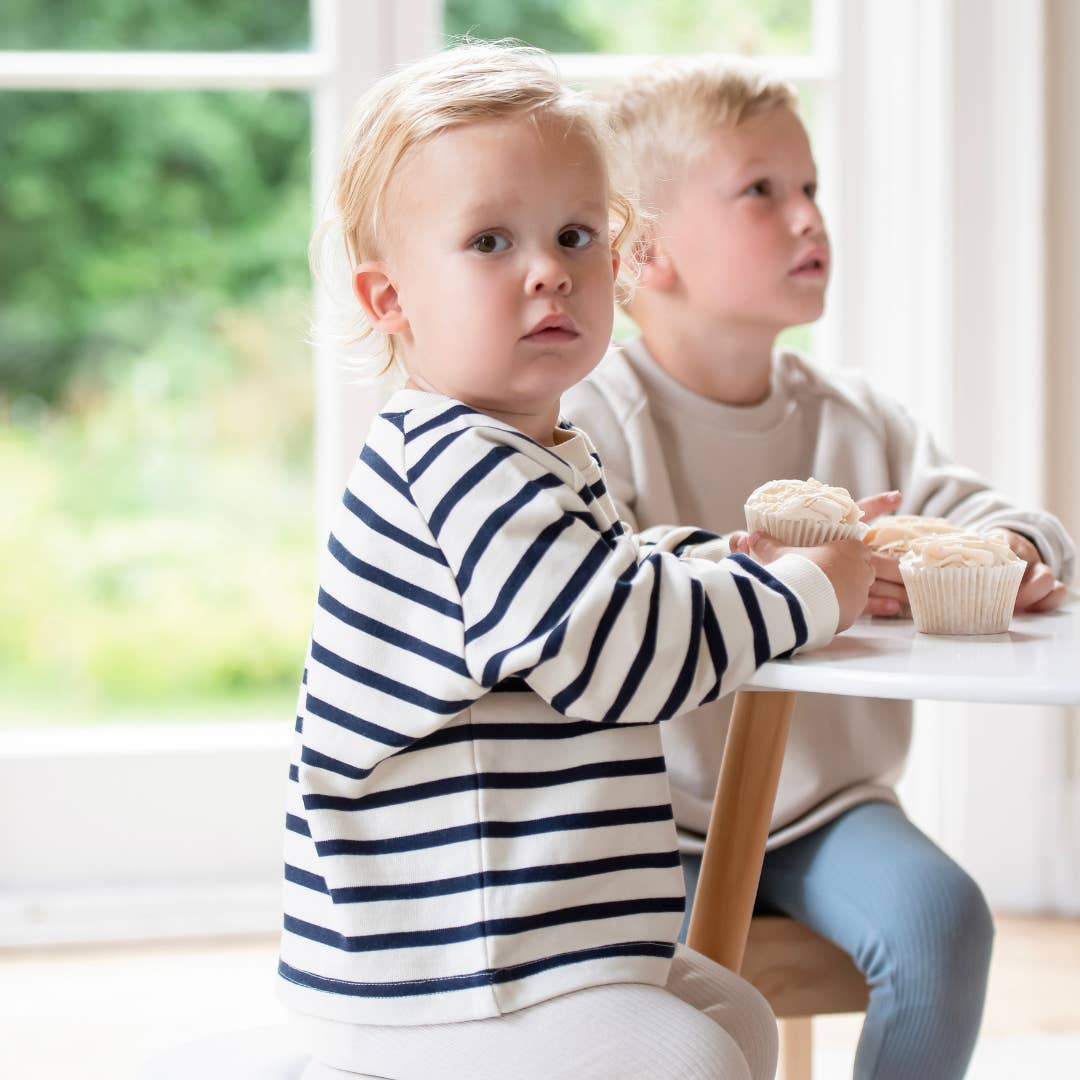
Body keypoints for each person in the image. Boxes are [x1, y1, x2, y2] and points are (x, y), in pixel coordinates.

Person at [280, 41, 878, 1080]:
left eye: (574, 235)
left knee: (738, 1021)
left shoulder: (526, 450)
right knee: (693, 1057)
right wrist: (797, 598)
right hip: (453, 960)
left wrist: (728, 560)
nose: (549, 268)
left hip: (542, 938)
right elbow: (601, 647)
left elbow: (605, 572)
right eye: (490, 242)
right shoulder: (462, 464)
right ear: (390, 301)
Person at [562, 58, 1075, 1080]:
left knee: (944, 928)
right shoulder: (593, 420)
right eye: (763, 191)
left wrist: (1007, 556)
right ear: (646, 252)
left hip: (830, 812)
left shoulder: (859, 421)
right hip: (645, 819)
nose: (808, 218)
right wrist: (774, 570)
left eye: (812, 189)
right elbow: (600, 575)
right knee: (634, 1011)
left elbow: (1020, 522)